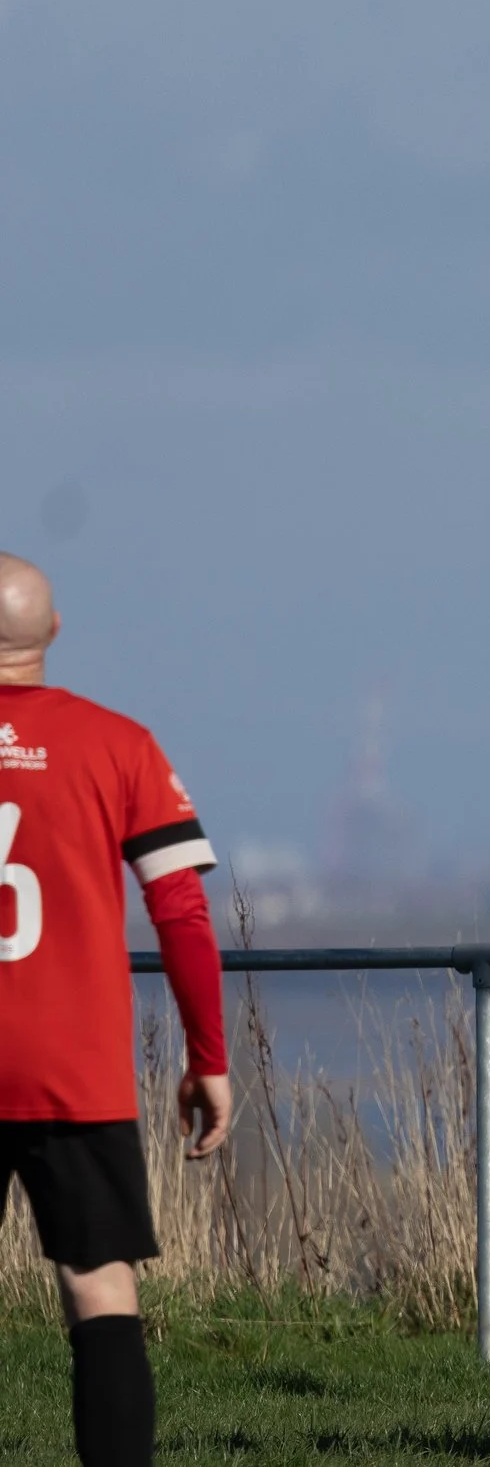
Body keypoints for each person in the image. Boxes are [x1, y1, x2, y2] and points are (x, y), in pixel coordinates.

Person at [0, 553, 231, 1467]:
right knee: (99, 1290)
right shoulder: (118, 743)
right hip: (76, 1070)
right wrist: (207, 1055)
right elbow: (181, 912)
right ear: (54, 635)